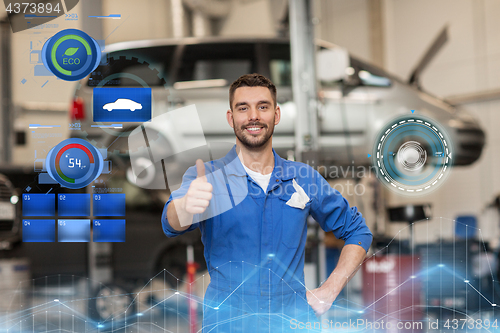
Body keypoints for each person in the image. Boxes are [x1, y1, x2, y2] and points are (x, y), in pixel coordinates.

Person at [161, 73, 372, 332]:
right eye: (243, 108)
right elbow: (171, 222)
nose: (253, 116)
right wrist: (185, 206)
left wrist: (330, 289)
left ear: (276, 115)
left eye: (263, 107)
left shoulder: (303, 177)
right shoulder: (208, 177)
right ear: (231, 118)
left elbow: (357, 231)